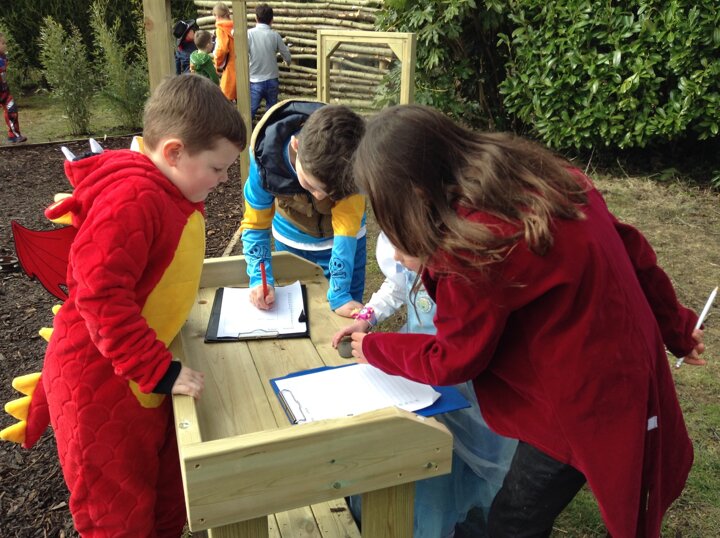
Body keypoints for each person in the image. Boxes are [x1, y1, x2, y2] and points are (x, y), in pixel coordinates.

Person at [348, 104, 706, 538]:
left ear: (417, 197)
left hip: (583, 397)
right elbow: (633, 249)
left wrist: (374, 347)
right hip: (609, 361)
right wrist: (677, 329)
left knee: (514, 521)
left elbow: (453, 358)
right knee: (520, 509)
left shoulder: (476, 248)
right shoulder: (542, 176)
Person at [39, 75, 245, 536]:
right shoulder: (132, 199)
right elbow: (100, 294)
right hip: (99, 383)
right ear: (174, 152)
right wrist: (157, 369)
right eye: (217, 168)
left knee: (168, 489)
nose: (223, 179)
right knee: (119, 511)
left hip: (137, 372)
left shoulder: (172, 188)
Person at [333, 232, 517, 538]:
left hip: (467, 381)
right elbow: (398, 284)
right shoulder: (408, 240)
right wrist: (366, 317)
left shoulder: (466, 266)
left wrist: (382, 350)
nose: (395, 257)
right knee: (425, 456)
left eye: (402, 250)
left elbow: (456, 354)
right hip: (416, 369)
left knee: (465, 463)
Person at [240, 100, 367, 317]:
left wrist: (340, 293)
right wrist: (260, 279)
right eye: (311, 185)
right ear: (296, 145)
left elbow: (346, 230)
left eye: (331, 193)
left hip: (345, 245)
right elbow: (255, 225)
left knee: (344, 312)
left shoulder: (349, 160)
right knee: (298, 315)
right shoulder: (264, 160)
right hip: (291, 245)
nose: (319, 197)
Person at [248, 3, 292, 121]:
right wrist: (288, 61)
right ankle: (270, 130)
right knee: (272, 113)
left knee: (250, 111)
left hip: (255, 80)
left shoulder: (249, 34)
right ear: (272, 20)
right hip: (272, 79)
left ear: (256, 18)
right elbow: (286, 54)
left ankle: (246, 130)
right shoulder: (275, 35)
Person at [0, 32, 27, 143]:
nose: (5, 45)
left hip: (4, 91)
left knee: (12, 110)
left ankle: (14, 135)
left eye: (5, 43)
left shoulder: (4, 57)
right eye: (2, 43)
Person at [213, 2, 237, 101]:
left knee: (225, 100)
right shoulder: (235, 26)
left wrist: (217, 63)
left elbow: (222, 49)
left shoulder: (221, 29)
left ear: (217, 16)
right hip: (239, 66)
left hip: (229, 69)